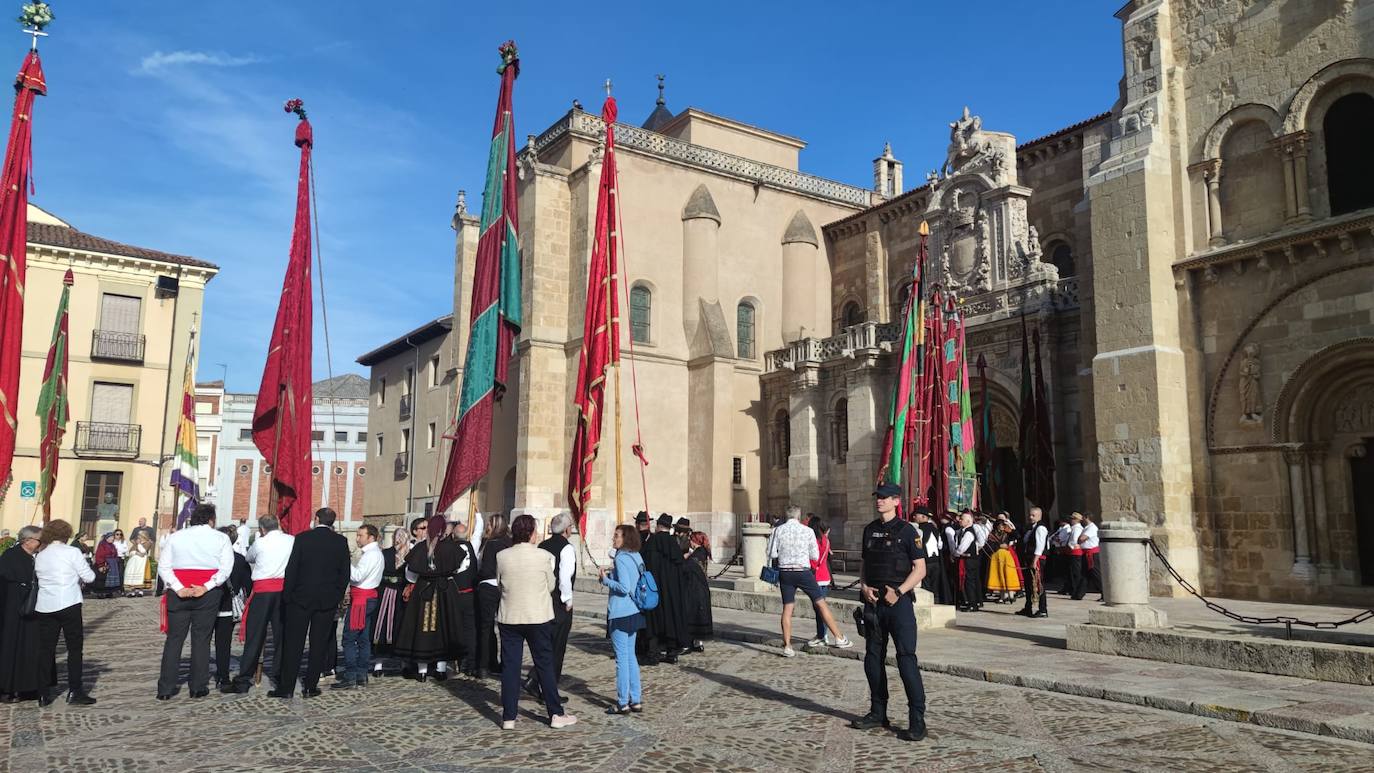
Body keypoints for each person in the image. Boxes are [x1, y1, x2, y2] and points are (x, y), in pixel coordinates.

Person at [851, 483, 928, 742]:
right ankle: (877, 712)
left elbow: (920, 569)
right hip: (874, 606)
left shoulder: (908, 532)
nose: (879, 501)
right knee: (873, 659)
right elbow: (864, 564)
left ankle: (917, 721)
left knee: (906, 660)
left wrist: (900, 591)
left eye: (885, 498)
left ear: (897, 501)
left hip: (899, 605)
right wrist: (863, 587)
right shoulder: (869, 530)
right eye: (878, 497)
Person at [495, 513, 577, 730]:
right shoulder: (543, 556)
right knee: (544, 664)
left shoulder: (502, 556)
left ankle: (509, 717)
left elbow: (499, 583)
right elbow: (551, 584)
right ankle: (555, 713)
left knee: (510, 667)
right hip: (538, 616)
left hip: (510, 616)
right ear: (531, 533)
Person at [155, 504, 234, 700]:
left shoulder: (176, 537)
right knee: (202, 639)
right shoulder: (221, 538)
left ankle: (166, 688)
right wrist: (206, 586)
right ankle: (198, 687)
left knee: (174, 640)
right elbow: (225, 568)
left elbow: (164, 566)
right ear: (211, 520)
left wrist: (177, 586)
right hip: (207, 593)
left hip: (179, 591)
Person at [271, 508, 350, 699]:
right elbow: (344, 573)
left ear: (316, 519)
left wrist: (287, 596)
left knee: (293, 644)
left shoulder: (303, 538)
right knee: (318, 644)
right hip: (326, 600)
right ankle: (310, 686)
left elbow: (292, 569)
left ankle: (286, 687)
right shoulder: (340, 541)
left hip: (300, 599)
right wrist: (337, 595)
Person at [768, 506, 852, 657]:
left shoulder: (777, 530)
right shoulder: (808, 531)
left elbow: (772, 553)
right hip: (803, 572)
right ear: (799, 517)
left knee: (787, 609)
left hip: (786, 572)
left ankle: (787, 646)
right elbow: (814, 555)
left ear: (786, 517)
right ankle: (839, 638)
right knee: (820, 603)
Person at [396, 514, 468, 681]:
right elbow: (460, 568)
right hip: (445, 591)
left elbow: (410, 575)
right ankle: (440, 669)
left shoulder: (420, 548)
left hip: (424, 590)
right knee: (443, 627)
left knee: (423, 628)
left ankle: (422, 671)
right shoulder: (451, 548)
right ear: (443, 530)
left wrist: (427, 575)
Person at [34, 520, 97, 706]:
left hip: (45, 604)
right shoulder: (72, 552)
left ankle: (43, 693)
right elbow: (90, 576)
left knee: (46, 650)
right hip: (68, 602)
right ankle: (75, 690)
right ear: (66, 534)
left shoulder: (41, 555)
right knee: (74, 649)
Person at [233, 513, 294, 693]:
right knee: (280, 636)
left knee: (255, 636)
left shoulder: (260, 542)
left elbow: (249, 558)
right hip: (282, 591)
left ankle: (245, 677)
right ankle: (280, 674)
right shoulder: (291, 540)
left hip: (263, 591)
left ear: (262, 528)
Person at [524, 513, 574, 701]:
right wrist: (568, 600)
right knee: (557, 647)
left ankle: (536, 680)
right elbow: (565, 578)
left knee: (545, 645)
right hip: (558, 602)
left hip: (542, 599)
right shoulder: (566, 548)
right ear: (567, 529)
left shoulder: (542, 546)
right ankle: (547, 690)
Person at [599, 524, 645, 715]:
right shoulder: (637, 556)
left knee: (621, 659)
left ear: (625, 538)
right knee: (630, 656)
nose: (613, 538)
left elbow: (624, 587)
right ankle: (636, 699)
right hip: (634, 611)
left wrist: (606, 580)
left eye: (617, 535)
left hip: (620, 612)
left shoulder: (621, 558)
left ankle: (622, 702)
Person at [335, 524, 383, 689]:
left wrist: (345, 562)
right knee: (363, 639)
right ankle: (361, 674)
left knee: (349, 639)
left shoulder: (371, 555)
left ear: (371, 537)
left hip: (362, 600)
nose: (357, 538)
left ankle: (351, 675)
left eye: (360, 535)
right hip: (367, 598)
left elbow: (357, 576)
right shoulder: (374, 553)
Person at [639, 514, 691, 664]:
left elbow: (643, 563)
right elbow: (681, 567)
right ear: (669, 527)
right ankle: (672, 652)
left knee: (654, 619)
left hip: (654, 588)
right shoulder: (674, 544)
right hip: (672, 591)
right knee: (671, 617)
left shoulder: (652, 542)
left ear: (659, 526)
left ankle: (653, 653)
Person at [0, 526, 42, 701]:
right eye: (39, 540)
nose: (41, 543)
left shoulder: (32, 557)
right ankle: (6, 688)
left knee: (29, 649)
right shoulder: (10, 556)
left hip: (29, 612)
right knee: (10, 648)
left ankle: (27, 686)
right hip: (11, 611)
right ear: (28, 541)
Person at [213, 525, 253, 693]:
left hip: (208, 605)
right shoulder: (240, 560)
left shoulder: (210, 558)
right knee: (223, 644)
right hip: (228, 607)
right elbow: (248, 586)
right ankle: (223, 677)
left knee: (200, 642)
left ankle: (198, 677)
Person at [474, 513, 511, 679]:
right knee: (504, 628)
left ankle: (483, 665)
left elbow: (483, 567)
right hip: (504, 586)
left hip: (488, 586)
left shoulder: (489, 544)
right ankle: (502, 663)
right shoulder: (508, 544)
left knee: (486, 627)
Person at [371, 526, 410, 676]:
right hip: (388, 593)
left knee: (399, 626)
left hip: (400, 595)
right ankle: (380, 665)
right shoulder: (387, 553)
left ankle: (399, 663)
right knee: (383, 626)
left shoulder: (409, 555)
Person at [683, 531, 713, 652]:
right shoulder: (702, 552)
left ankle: (692, 642)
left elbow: (687, 568)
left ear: (695, 541)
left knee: (693, 614)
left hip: (695, 589)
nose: (689, 542)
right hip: (701, 587)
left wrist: (684, 559)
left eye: (691, 539)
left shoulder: (697, 554)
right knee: (698, 614)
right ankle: (697, 642)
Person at [807, 516, 835, 647]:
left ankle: (822, 635)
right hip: (824, 576)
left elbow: (813, 560)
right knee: (820, 607)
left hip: (816, 577)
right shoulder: (826, 540)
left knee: (819, 609)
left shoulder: (815, 541)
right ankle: (822, 634)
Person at [1017, 506, 1049, 618]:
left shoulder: (1040, 528)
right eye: (1030, 515)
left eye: (1033, 515)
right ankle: (1028, 607)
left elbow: (1040, 546)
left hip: (1037, 559)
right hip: (1029, 558)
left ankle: (1043, 609)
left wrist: (1035, 561)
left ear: (1039, 516)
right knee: (1028, 584)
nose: (1030, 517)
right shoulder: (1031, 528)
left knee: (1038, 584)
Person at [985, 521, 1022, 603]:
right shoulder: (992, 535)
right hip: (996, 558)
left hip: (1007, 557)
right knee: (999, 575)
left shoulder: (1007, 533)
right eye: (1001, 525)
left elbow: (1018, 536)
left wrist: (1011, 529)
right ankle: (1003, 596)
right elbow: (989, 546)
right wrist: (999, 546)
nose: (1002, 527)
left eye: (1003, 525)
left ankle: (1011, 595)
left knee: (1008, 575)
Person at [952, 511, 982, 612]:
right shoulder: (963, 531)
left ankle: (972, 604)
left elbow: (962, 548)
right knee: (969, 582)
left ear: (968, 521)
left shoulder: (969, 532)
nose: (960, 520)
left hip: (969, 561)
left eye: (962, 519)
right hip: (969, 559)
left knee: (969, 582)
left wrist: (956, 553)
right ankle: (972, 603)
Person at [122, 529, 153, 597]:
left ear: (144, 536)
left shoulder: (148, 542)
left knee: (140, 575)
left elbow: (143, 551)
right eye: (138, 536)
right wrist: (136, 552)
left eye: (140, 536)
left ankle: (140, 591)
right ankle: (132, 591)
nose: (139, 537)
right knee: (133, 575)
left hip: (142, 561)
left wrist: (139, 545)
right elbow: (130, 552)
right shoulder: (136, 543)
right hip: (134, 562)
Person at [1079, 512, 1102, 600]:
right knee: (1084, 574)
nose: (1082, 519)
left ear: (1087, 517)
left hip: (1092, 554)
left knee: (1095, 574)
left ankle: (1103, 592)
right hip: (1086, 553)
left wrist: (1079, 539)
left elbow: (1081, 538)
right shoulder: (1086, 528)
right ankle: (1079, 594)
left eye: (1083, 517)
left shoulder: (1092, 528)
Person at [92, 533, 121, 599]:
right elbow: (99, 555)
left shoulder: (112, 545)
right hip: (105, 562)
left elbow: (115, 554)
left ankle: (109, 592)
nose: (112, 539)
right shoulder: (102, 545)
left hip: (112, 564)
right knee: (103, 578)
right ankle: (101, 593)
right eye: (110, 537)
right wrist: (101, 565)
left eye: (112, 537)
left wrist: (115, 560)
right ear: (106, 538)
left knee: (111, 578)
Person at [1066, 512, 1086, 600]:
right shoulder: (1074, 528)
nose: (1071, 520)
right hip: (1073, 551)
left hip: (1075, 551)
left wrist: (1069, 546)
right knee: (1073, 572)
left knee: (1076, 572)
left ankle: (1076, 590)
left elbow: (1074, 540)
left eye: (1072, 519)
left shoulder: (1077, 528)